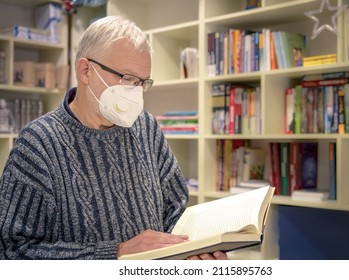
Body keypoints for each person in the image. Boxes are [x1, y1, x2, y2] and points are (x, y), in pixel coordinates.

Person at [0, 15, 227, 260]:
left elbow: (175, 214)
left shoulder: (146, 128)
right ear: (86, 70)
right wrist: (116, 253)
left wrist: (193, 251)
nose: (135, 92)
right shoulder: (38, 143)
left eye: (142, 82)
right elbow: (13, 251)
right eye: (127, 79)